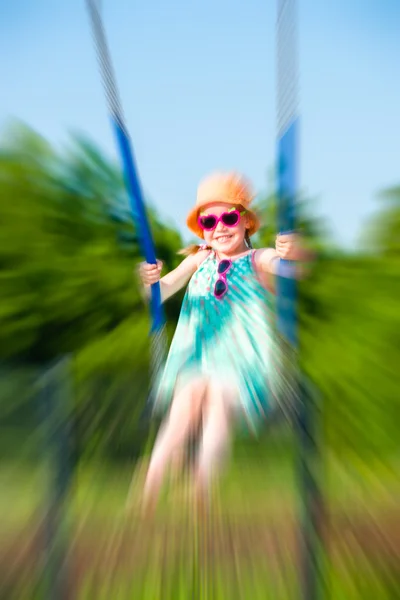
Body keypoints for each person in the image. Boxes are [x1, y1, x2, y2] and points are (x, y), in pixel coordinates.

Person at [137, 172, 309, 515]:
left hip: (244, 364)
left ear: (245, 221)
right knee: (184, 407)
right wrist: (149, 281)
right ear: (201, 229)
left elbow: (291, 273)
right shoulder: (199, 259)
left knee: (218, 403)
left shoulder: (258, 259)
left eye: (229, 217)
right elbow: (160, 293)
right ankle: (151, 485)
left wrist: (294, 254)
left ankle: (202, 484)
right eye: (209, 221)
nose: (220, 227)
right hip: (198, 359)